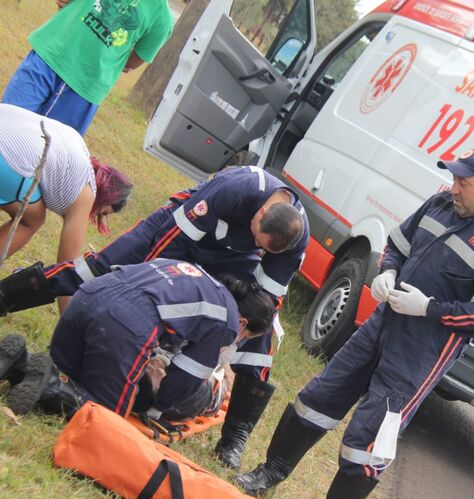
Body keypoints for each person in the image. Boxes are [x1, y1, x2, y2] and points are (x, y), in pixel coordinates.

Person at [235, 148, 474, 499]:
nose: (454, 188)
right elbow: (398, 245)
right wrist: (388, 271)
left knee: (370, 437)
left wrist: (429, 309)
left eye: (463, 182)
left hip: (420, 353)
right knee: (319, 396)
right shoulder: (440, 203)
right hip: (381, 325)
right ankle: (270, 471)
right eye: (454, 179)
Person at [0, 164, 309, 469]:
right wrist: (145, 280)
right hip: (176, 229)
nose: (257, 246)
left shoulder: (294, 237)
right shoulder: (236, 188)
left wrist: (235, 339)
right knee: (97, 269)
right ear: (261, 214)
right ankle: (6, 296)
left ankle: (234, 438)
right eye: (257, 237)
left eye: (264, 249)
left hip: (232, 260)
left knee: (261, 334)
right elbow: (172, 240)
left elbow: (268, 299)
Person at [0, 259, 275, 422]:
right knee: (102, 419)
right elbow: (182, 383)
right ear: (243, 324)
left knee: (73, 377)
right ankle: (49, 383)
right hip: (121, 325)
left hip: (87, 297)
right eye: (246, 337)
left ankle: (20, 363)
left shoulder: (189, 271)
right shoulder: (226, 320)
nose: (238, 339)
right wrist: (153, 407)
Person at [2, 0, 174, 135]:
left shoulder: (162, 19)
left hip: (85, 88)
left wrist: (111, 56)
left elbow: (137, 58)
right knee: (7, 125)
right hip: (49, 56)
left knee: (51, 153)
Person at [0, 104, 133, 264]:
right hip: (6, 156)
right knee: (32, 220)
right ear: (104, 196)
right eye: (100, 212)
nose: (92, 216)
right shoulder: (87, 193)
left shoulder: (77, 142)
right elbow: (66, 263)